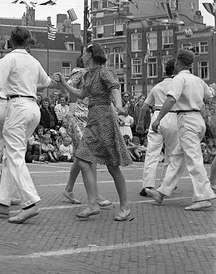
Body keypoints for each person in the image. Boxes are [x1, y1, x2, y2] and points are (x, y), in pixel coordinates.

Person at [0, 26, 59, 224]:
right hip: (33, 108)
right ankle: (3, 203)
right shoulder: (33, 61)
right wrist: (62, 81)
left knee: (14, 157)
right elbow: (48, 82)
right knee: (13, 156)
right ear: (28, 41)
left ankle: (29, 203)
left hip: (17, 107)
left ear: (11, 41)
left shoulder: (8, 60)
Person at [56, 42, 132, 221]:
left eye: (84, 53)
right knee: (82, 158)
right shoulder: (87, 74)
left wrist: (119, 106)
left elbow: (115, 87)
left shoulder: (104, 71)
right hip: (93, 118)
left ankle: (125, 206)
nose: (81, 56)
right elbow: (82, 95)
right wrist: (64, 84)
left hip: (105, 118)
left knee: (112, 166)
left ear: (91, 54)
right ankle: (92, 204)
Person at [146, 49, 215, 211]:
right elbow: (210, 94)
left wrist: (157, 119)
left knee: (193, 158)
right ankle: (162, 192)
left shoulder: (179, 79)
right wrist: (213, 87)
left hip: (186, 120)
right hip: (198, 120)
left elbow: (171, 99)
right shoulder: (197, 80)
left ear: (178, 62)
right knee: (177, 158)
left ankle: (203, 195)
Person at [61, 58, 111, 207]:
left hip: (90, 117)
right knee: (90, 155)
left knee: (82, 156)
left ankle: (69, 189)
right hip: (78, 117)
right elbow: (67, 88)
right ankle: (95, 194)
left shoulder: (98, 74)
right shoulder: (81, 73)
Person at [136, 59, 179, 196]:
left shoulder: (157, 86)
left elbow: (144, 107)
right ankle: (166, 184)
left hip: (157, 116)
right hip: (173, 116)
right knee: (171, 153)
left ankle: (147, 185)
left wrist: (140, 123)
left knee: (152, 153)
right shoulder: (178, 85)